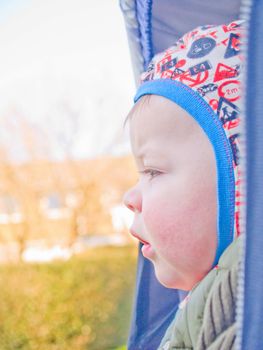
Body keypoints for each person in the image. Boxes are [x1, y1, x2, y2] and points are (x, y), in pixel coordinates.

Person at [123, 20, 244, 349]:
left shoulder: (244, 317)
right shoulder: (209, 305)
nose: (129, 197)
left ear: (242, 185)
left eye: (152, 171)